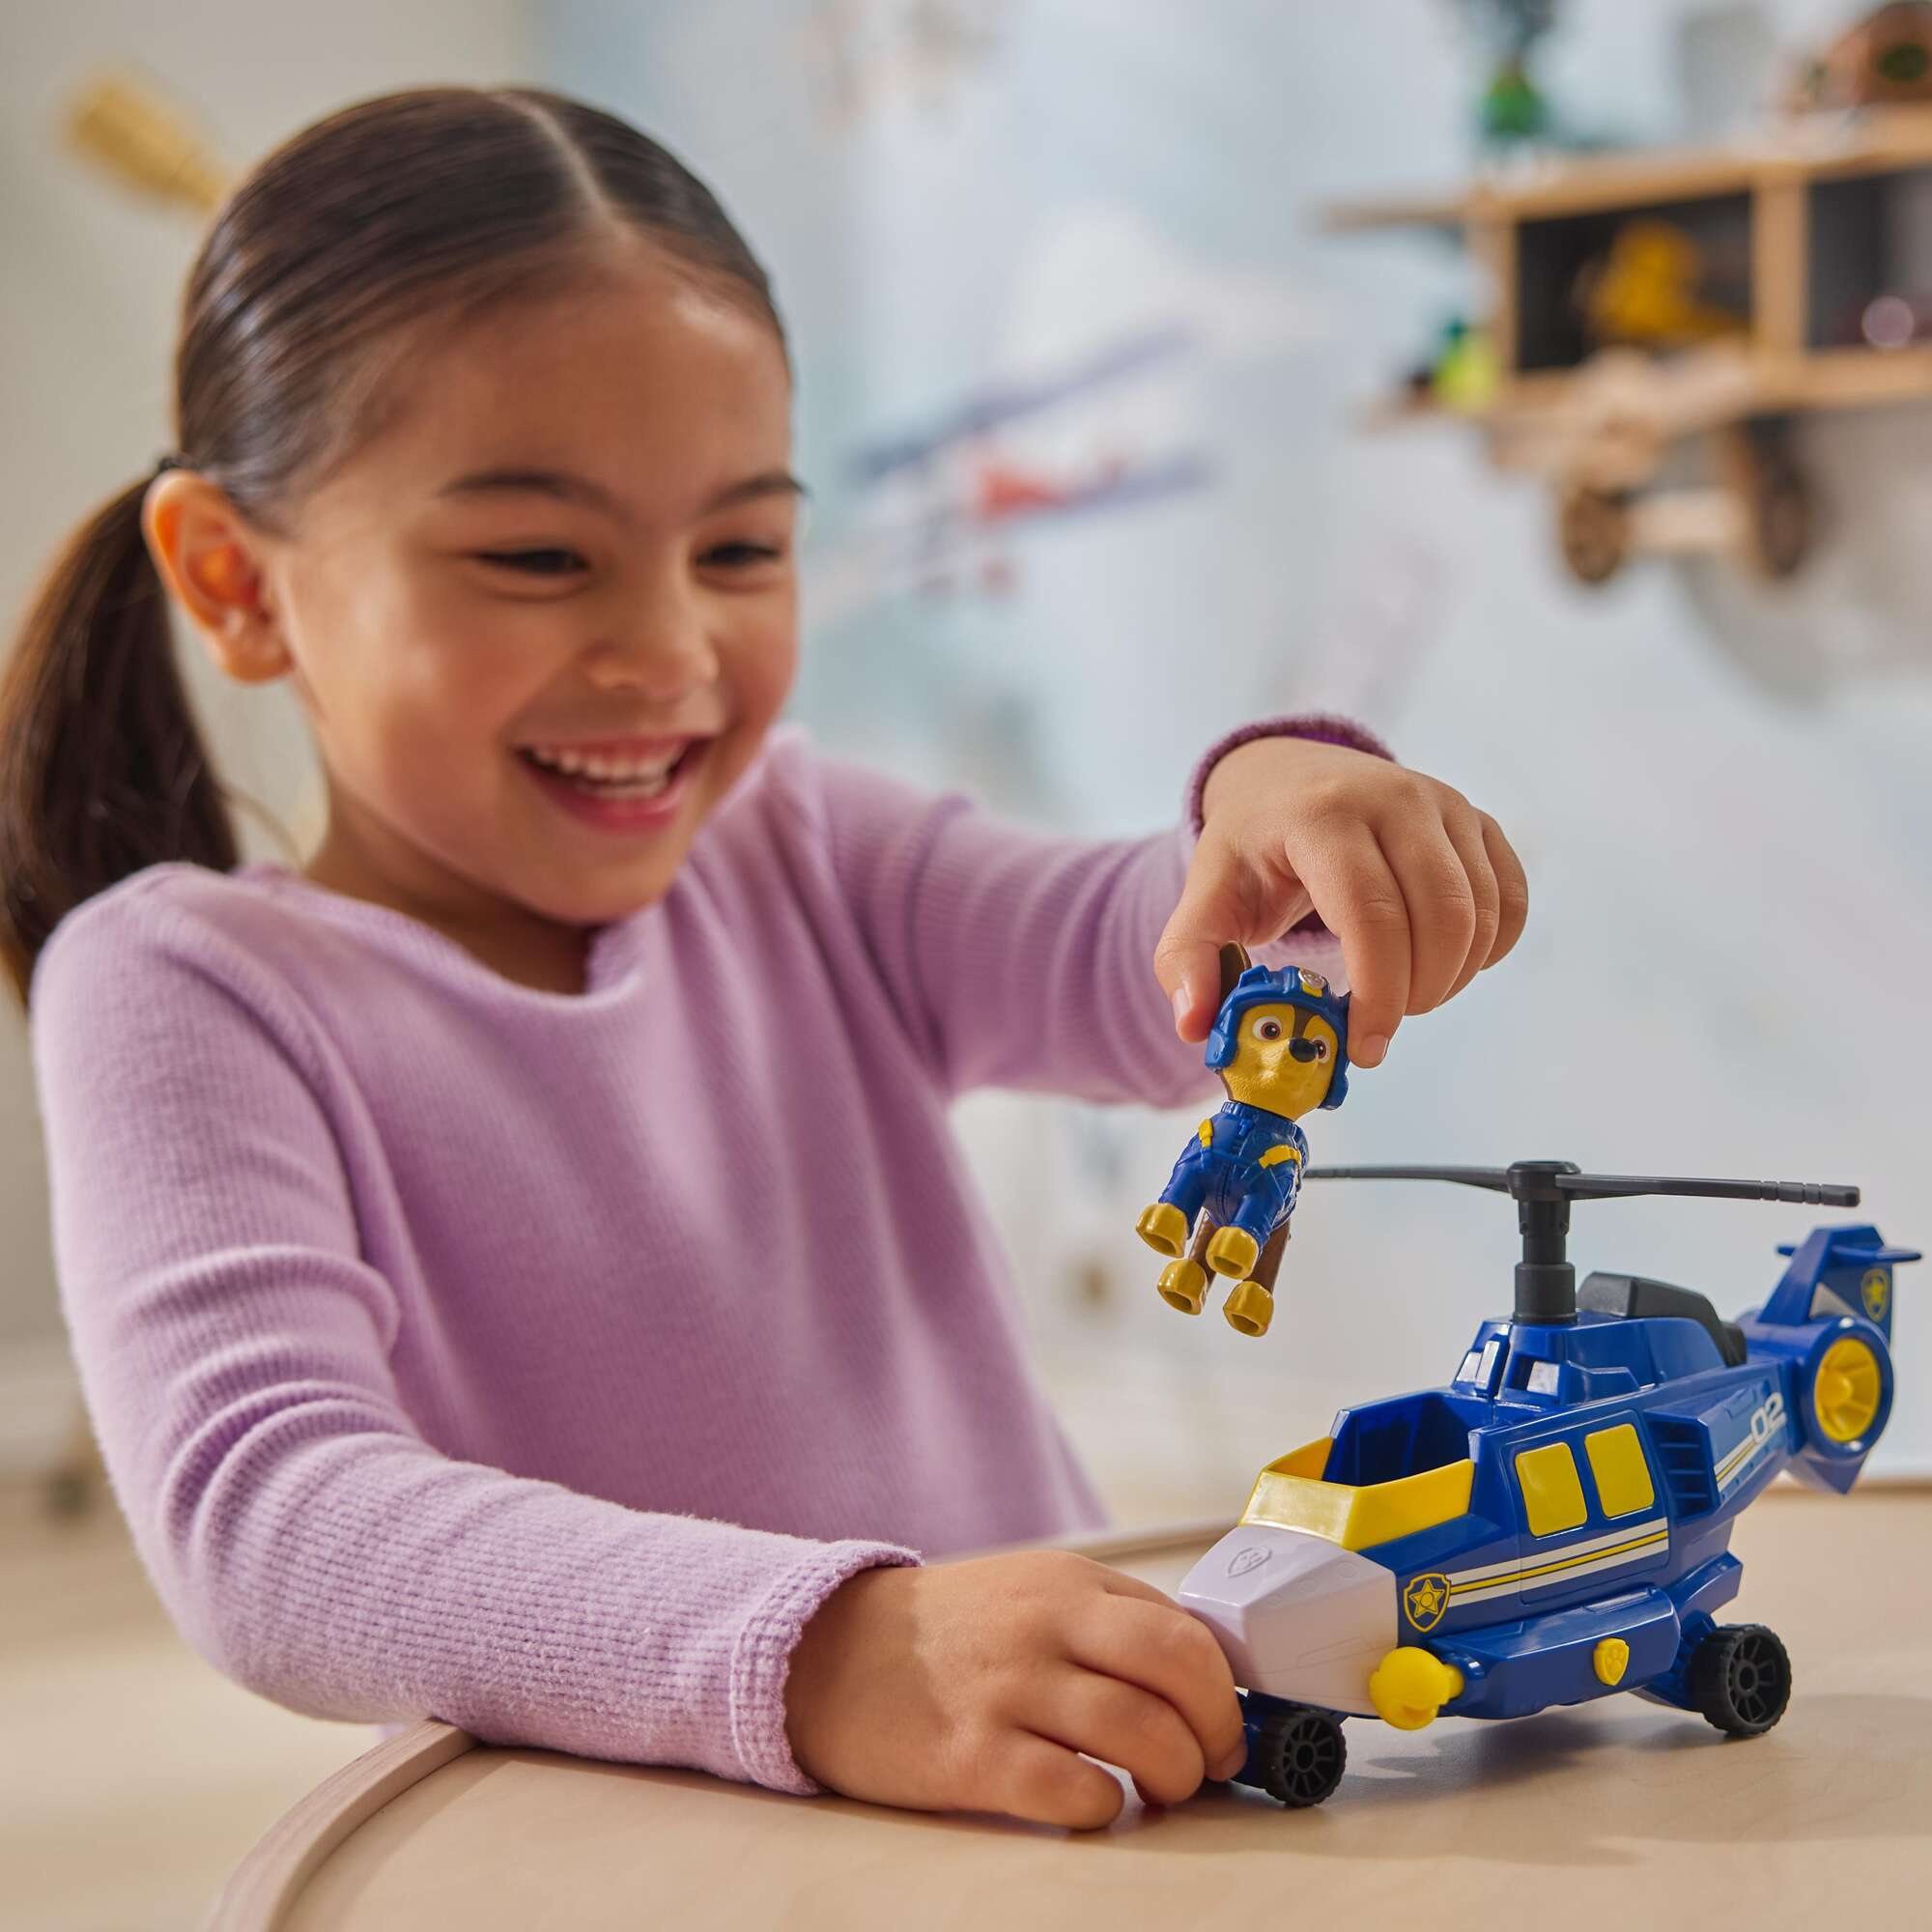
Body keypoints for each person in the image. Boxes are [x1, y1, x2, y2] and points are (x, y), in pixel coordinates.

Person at [0, 88, 1526, 1832]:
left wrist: (1272, 824)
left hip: (1074, 1821)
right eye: (538, 556)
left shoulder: (804, 844)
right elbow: (271, 1516)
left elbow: (1144, 959)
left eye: (740, 548)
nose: (668, 650)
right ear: (235, 582)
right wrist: (827, 1652)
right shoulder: (184, 984)